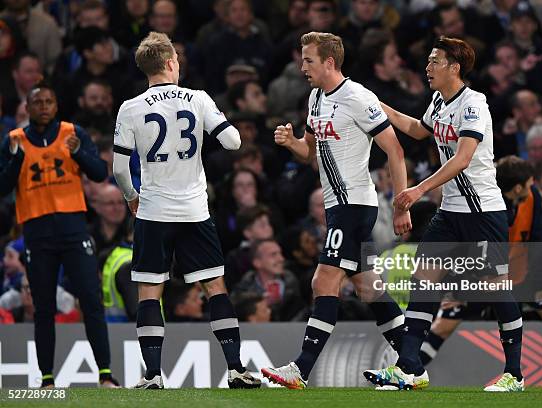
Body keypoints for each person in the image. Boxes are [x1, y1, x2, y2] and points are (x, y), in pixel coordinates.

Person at [365, 37, 525, 392]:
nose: (428, 67)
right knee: (423, 281)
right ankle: (409, 367)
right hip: (450, 213)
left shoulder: (474, 105)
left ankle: (515, 374)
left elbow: (463, 158)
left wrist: (419, 189)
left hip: (482, 211)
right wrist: (378, 107)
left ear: (455, 67)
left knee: (493, 289)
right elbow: (417, 130)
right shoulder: (439, 102)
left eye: (435, 61)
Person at [261, 31, 412, 389]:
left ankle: (300, 369)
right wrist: (291, 144)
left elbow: (396, 150)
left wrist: (403, 202)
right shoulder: (315, 97)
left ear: (330, 62)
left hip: (354, 204)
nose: (302, 67)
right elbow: (310, 152)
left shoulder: (358, 97)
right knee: (368, 287)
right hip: (338, 206)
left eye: (308, 60)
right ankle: (412, 365)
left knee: (323, 280)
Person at [112, 32, 260, 390]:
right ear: (169, 63)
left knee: (150, 291)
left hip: (152, 211)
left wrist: (131, 196)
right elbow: (233, 142)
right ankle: (236, 369)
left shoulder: (130, 108)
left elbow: (118, 169)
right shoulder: (198, 99)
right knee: (215, 287)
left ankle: (152, 375)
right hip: (195, 210)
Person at [0, 82, 119, 388]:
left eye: (49, 102)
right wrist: (15, 160)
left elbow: (99, 173)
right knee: (43, 307)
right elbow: (2, 188)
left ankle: (105, 374)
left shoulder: (73, 134)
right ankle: (47, 378)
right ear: (27, 108)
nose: (43, 108)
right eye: (37, 103)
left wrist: (79, 153)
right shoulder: (14, 140)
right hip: (37, 234)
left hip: (73, 229)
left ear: (56, 106)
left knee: (91, 300)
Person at [416, 156, 542, 386]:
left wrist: (541, 284)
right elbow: (461, 246)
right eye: (529, 184)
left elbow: (537, 240)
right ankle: (412, 368)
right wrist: (458, 287)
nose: (532, 188)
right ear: (517, 187)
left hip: (520, 275)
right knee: (444, 323)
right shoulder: (481, 200)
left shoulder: (532, 198)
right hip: (480, 273)